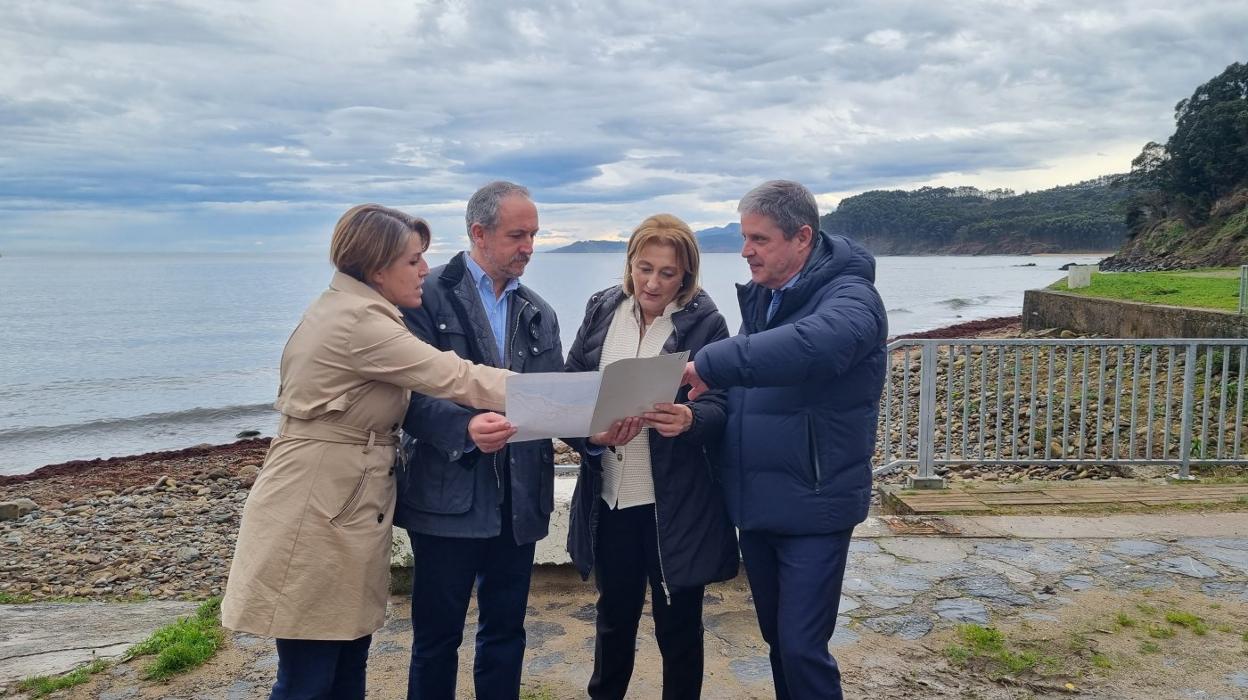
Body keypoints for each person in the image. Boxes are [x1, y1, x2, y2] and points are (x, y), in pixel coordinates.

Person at [221, 204, 516, 700]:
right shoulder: (360, 323)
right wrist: (562, 396)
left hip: (341, 499)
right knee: (310, 674)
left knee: (344, 656)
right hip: (318, 504)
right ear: (377, 269)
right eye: (413, 260)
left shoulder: (356, 310)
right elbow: (455, 376)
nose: (425, 269)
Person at [682, 181, 887, 700]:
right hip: (758, 505)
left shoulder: (852, 296)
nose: (746, 250)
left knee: (801, 647)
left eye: (759, 239)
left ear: (802, 237)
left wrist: (711, 362)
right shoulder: (768, 298)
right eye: (745, 238)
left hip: (815, 505)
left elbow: (815, 347)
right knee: (778, 640)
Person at [395, 181, 562, 700]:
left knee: (506, 633)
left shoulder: (540, 311)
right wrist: (464, 429)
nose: (529, 247)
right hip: (447, 496)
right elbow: (405, 395)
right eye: (518, 235)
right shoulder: (423, 295)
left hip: (520, 499)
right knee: (436, 637)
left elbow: (550, 397)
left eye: (533, 234)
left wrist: (591, 425)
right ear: (478, 233)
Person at [565, 214, 739, 700]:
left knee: (679, 627)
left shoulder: (707, 322)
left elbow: (721, 406)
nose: (653, 282)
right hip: (610, 499)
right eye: (645, 268)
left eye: (667, 272)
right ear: (630, 264)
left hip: (674, 505)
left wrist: (689, 421)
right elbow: (573, 388)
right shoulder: (602, 310)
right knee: (613, 621)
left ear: (686, 274)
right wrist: (592, 438)